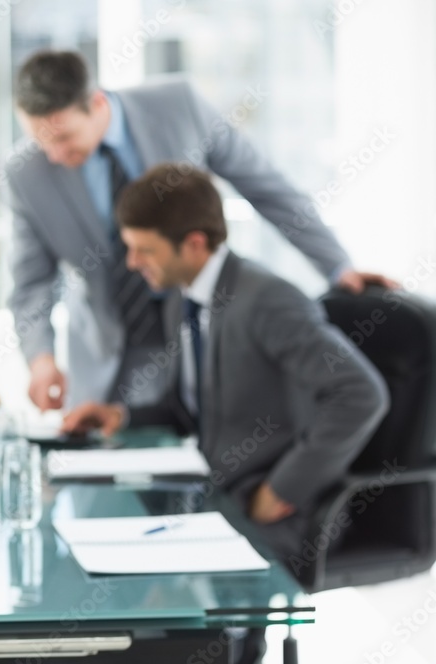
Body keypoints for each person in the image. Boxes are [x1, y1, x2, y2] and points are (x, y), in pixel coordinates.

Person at [5, 49, 394, 411]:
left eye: (63, 138)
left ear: (98, 104)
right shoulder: (25, 174)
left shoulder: (180, 107)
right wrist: (41, 360)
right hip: (108, 355)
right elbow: (31, 283)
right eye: (40, 141)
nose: (53, 155)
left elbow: (267, 187)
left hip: (202, 331)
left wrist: (337, 265)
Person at [62, 163, 389, 564]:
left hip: (282, 514)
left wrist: (283, 490)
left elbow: (361, 393)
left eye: (144, 250)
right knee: (98, 542)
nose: (132, 262)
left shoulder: (266, 300)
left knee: (144, 579)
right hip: (218, 495)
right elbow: (191, 406)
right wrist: (121, 415)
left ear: (195, 244)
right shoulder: (183, 296)